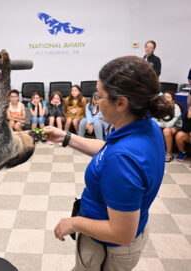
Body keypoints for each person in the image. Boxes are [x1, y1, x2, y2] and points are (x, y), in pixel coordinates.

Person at [43, 56, 174, 271]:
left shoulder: (122, 161)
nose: (95, 101)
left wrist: (73, 223)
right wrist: (66, 137)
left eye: (99, 95)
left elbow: (122, 233)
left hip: (107, 249)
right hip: (118, 231)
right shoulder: (144, 126)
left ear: (121, 102)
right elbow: (108, 148)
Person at [153, 91, 182, 162]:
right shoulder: (160, 106)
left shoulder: (176, 108)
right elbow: (153, 119)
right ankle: (154, 151)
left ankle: (169, 153)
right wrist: (157, 124)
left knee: (166, 130)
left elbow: (169, 124)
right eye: (164, 97)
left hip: (175, 126)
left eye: (168, 97)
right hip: (162, 125)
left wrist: (158, 123)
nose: (165, 99)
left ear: (173, 100)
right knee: (153, 128)